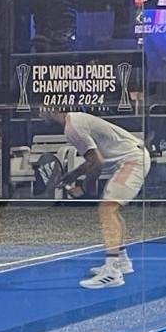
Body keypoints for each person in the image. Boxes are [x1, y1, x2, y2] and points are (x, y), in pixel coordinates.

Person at [40, 108, 151, 289]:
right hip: (132, 158)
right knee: (111, 210)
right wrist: (74, 174)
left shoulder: (72, 128)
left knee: (107, 209)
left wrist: (83, 188)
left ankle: (112, 272)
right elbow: (97, 157)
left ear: (53, 109)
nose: (39, 113)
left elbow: (97, 162)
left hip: (133, 161)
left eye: (41, 109)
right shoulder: (77, 121)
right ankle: (121, 260)